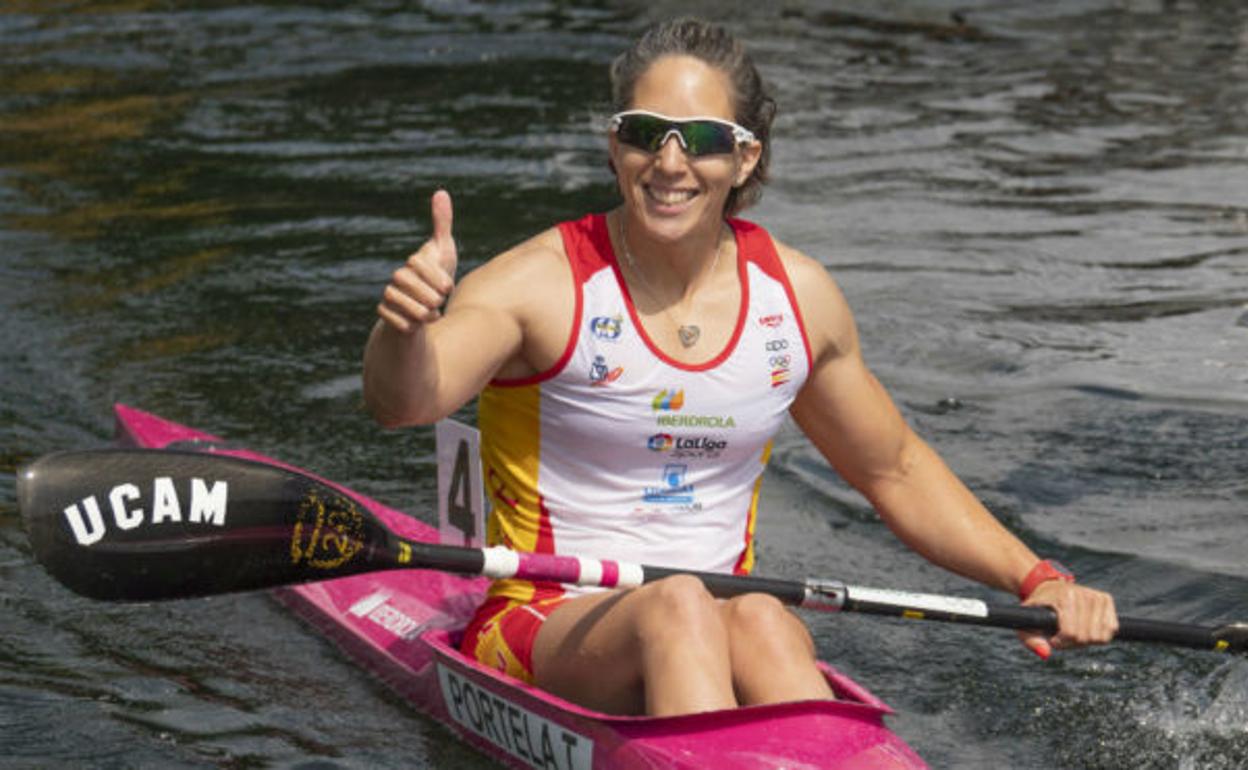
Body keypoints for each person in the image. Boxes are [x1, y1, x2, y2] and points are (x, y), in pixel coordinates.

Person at [363, 17, 1119, 717]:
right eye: (645, 134)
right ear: (613, 144)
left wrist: (1036, 577)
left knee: (760, 615)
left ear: (744, 155)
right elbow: (408, 400)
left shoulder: (798, 298)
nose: (669, 163)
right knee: (679, 605)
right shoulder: (538, 285)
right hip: (543, 622)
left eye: (700, 138)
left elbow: (893, 469)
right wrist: (404, 327)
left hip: (725, 619)